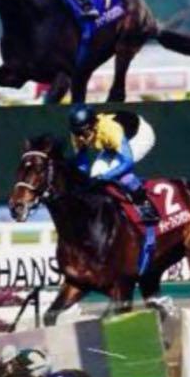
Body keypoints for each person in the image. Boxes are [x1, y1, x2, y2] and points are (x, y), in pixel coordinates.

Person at [69, 104, 159, 274]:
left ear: (94, 125)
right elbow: (82, 163)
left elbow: (127, 162)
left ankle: (147, 209)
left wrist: (107, 176)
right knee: (95, 174)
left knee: (117, 173)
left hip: (139, 136)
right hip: (113, 142)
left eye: (84, 133)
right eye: (77, 133)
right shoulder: (77, 133)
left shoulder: (109, 129)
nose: (81, 137)